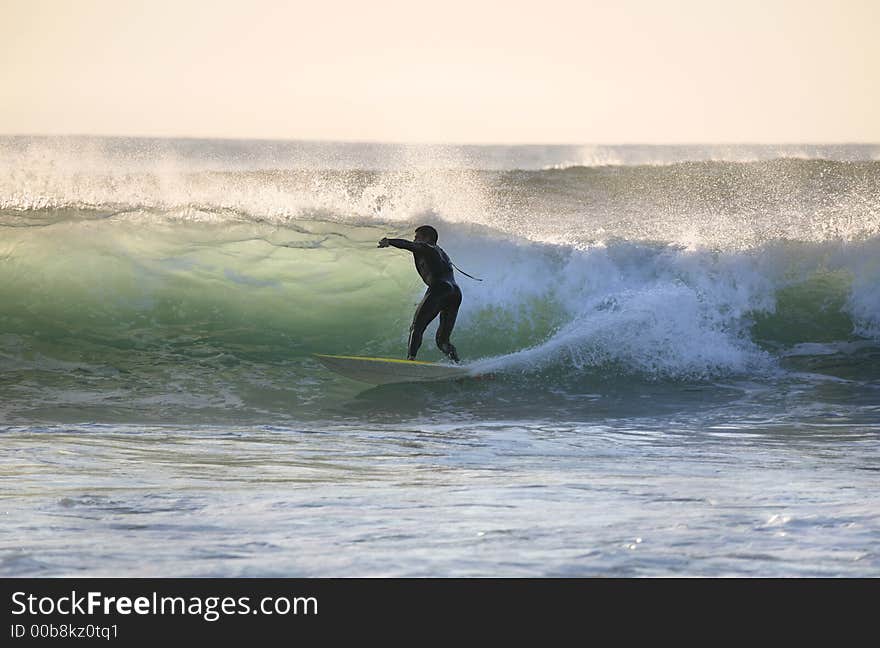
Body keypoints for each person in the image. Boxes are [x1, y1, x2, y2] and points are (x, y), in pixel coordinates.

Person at [378, 225, 461, 362]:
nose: (415, 240)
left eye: (417, 237)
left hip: (439, 289)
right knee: (442, 341)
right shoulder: (442, 253)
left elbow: (408, 245)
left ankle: (411, 360)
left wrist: (390, 241)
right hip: (455, 293)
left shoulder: (425, 247)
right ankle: (457, 364)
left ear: (427, 238)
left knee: (416, 327)